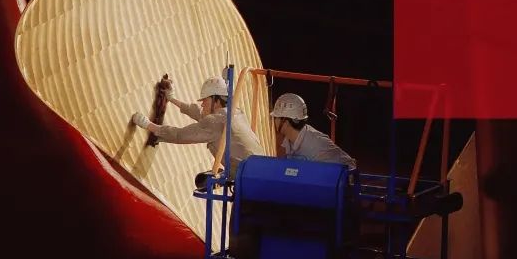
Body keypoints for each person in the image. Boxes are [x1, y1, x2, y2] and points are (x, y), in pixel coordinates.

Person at [131, 76, 264, 177]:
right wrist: (171, 98)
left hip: (248, 178)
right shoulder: (235, 113)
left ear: (216, 100)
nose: (202, 104)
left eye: (205, 100)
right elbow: (201, 115)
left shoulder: (217, 121)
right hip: (260, 169)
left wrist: (148, 125)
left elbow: (180, 135)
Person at [270, 93, 356, 169]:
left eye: (276, 118)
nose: (274, 121)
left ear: (285, 121)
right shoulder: (288, 141)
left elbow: (350, 166)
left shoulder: (318, 144)